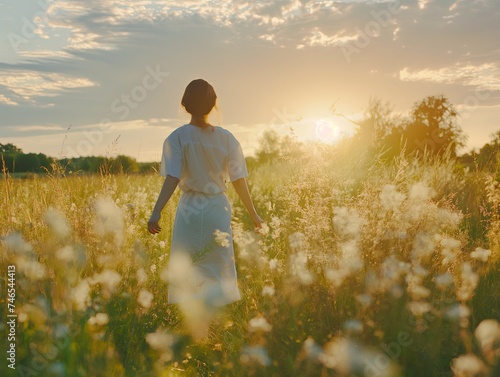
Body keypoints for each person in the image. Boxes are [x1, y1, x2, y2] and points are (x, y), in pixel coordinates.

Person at [147, 78, 263, 315]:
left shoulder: (177, 137)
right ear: (213, 105)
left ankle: (191, 320)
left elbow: (173, 177)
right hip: (217, 208)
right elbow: (238, 179)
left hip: (189, 208)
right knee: (218, 263)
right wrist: (254, 215)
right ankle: (217, 322)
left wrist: (156, 211)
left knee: (188, 263)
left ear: (184, 104)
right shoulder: (227, 138)